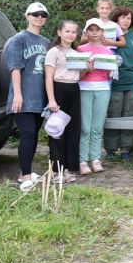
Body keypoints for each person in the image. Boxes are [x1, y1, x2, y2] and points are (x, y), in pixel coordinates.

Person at [4, 2, 51, 191]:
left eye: (43, 15)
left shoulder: (46, 42)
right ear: (27, 16)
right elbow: (15, 68)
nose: (39, 17)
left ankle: (27, 172)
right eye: (35, 14)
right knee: (28, 133)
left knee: (32, 137)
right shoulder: (18, 40)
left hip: (40, 98)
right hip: (23, 97)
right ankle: (24, 177)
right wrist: (17, 95)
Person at [44, 20, 84, 183]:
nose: (70, 35)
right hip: (58, 90)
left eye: (73, 32)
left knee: (73, 131)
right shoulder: (53, 52)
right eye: (67, 31)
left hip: (74, 90)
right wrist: (51, 100)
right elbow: (48, 77)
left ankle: (68, 168)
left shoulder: (77, 53)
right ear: (60, 32)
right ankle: (56, 171)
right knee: (57, 130)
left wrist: (87, 68)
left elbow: (78, 76)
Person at [106, 7, 133, 159]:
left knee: (130, 115)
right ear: (116, 19)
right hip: (114, 83)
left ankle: (126, 149)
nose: (125, 20)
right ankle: (110, 149)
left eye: (128, 18)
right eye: (123, 17)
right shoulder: (109, 36)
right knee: (113, 115)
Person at [77, 18, 114, 175]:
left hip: (103, 89)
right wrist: (86, 70)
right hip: (84, 88)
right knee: (85, 127)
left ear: (102, 32)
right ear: (86, 32)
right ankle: (82, 160)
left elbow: (109, 75)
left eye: (97, 29)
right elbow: (75, 75)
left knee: (97, 127)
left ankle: (96, 158)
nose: (94, 32)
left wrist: (112, 70)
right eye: (90, 29)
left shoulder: (108, 51)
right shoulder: (79, 50)